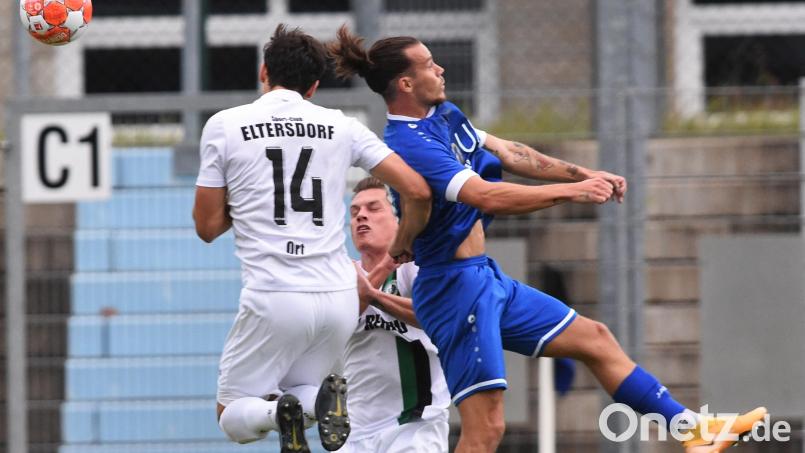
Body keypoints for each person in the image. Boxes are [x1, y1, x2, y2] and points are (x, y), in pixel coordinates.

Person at [328, 26, 766, 453]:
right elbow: (486, 195)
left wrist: (585, 173)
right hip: (452, 289)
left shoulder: (443, 116)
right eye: (428, 64)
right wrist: (571, 193)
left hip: (483, 278)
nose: (440, 69)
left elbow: (511, 152)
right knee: (486, 430)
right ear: (406, 82)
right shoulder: (408, 143)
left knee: (595, 338)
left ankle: (692, 431)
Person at [192, 24, 431, 453]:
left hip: (275, 294)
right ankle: (309, 405)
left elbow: (207, 227)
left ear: (264, 72)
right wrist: (404, 243)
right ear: (315, 86)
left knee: (230, 414)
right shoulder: (342, 126)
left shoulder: (225, 125)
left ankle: (275, 412)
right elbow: (416, 189)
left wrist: (249, 200)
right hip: (339, 293)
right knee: (308, 388)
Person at [339, 176, 450, 453]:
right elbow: (339, 317)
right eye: (354, 213)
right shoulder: (340, 274)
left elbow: (435, 315)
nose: (362, 216)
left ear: (399, 220)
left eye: (374, 208)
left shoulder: (416, 269)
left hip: (414, 426)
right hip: (354, 433)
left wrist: (375, 295)